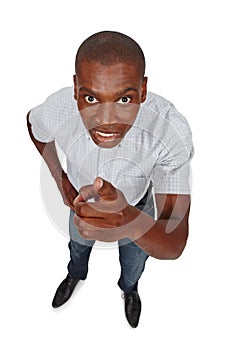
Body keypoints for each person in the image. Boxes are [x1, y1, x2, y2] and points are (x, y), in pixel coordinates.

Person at [27, 31, 194, 328]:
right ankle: (75, 275)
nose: (105, 120)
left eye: (124, 98)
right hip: (81, 202)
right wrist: (60, 179)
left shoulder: (169, 130)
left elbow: (174, 242)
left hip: (137, 207)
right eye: (91, 98)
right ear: (76, 88)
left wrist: (128, 218)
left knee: (133, 265)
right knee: (77, 250)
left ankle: (130, 291)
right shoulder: (58, 107)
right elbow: (33, 125)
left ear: (143, 91)